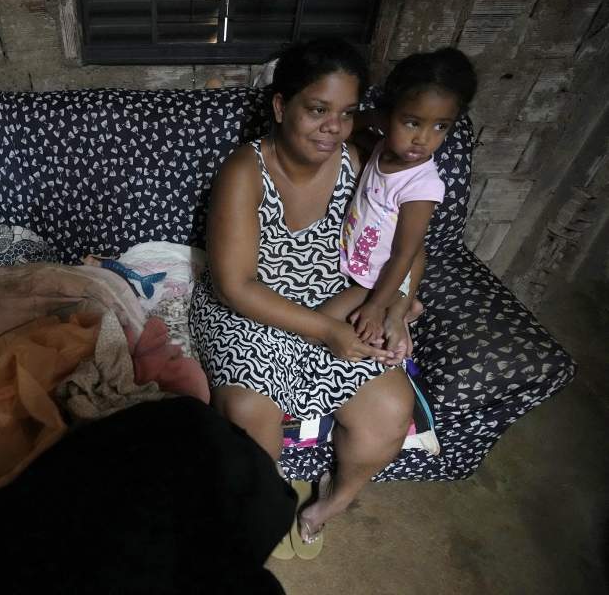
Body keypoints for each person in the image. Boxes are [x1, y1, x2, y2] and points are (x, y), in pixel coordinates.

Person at [189, 38, 417, 558]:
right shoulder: (245, 171)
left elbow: (408, 242)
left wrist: (397, 303)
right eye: (317, 110)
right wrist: (328, 332)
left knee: (389, 406)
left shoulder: (359, 161)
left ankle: (330, 503)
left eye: (346, 113)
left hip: (334, 298)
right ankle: (263, 501)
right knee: (247, 409)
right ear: (280, 106)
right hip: (252, 309)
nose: (332, 127)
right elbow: (235, 286)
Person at [318, 47, 477, 361]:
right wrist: (377, 119)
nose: (423, 139)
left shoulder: (422, 186)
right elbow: (350, 131)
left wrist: (376, 305)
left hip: (378, 281)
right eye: (412, 122)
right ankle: (404, 307)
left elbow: (408, 253)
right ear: (389, 113)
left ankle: (395, 315)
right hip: (355, 263)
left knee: (318, 325)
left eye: (440, 126)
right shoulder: (382, 149)